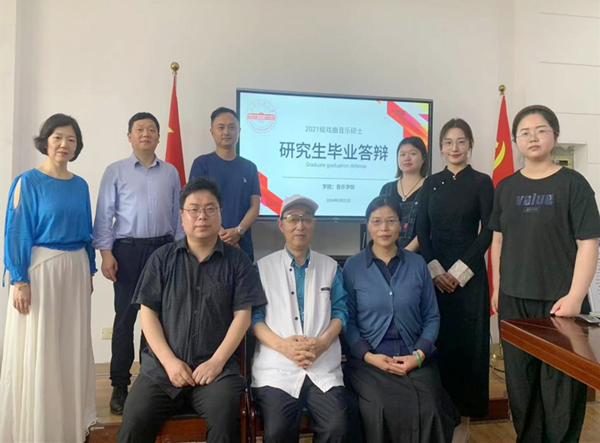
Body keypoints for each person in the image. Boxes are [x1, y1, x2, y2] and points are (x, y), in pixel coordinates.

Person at [117, 177, 267, 442]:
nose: (202, 216)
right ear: (182, 216)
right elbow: (147, 313)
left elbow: (243, 316)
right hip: (162, 370)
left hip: (216, 372)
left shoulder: (238, 262)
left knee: (225, 421)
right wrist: (169, 362)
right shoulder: (161, 258)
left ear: (220, 213)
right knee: (134, 421)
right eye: (194, 209)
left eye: (210, 209)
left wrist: (216, 363)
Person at [490, 105, 600, 442]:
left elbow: (588, 242)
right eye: (524, 132)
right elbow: (498, 239)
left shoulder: (573, 184)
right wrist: (497, 287)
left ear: (555, 136)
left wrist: (576, 296)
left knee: (561, 392)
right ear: (516, 141)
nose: (533, 137)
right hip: (514, 302)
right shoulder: (506, 187)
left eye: (541, 130)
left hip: (559, 304)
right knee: (521, 389)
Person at [0, 114, 97, 442]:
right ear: (45, 141)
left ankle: (67, 426)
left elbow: (87, 231)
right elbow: (16, 231)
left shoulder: (81, 185)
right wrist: (19, 280)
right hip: (41, 273)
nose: (64, 144)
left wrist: (90, 269)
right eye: (58, 137)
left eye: (71, 139)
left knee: (70, 345)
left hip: (75, 271)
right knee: (42, 346)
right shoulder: (27, 182)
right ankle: (38, 428)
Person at [343, 196, 458, 443]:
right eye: (376, 221)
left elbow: (431, 316)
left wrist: (419, 356)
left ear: (401, 225)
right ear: (368, 225)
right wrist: (369, 356)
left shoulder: (417, 264)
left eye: (391, 221)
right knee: (379, 407)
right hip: (370, 361)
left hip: (414, 356)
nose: (384, 228)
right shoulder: (352, 267)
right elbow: (348, 322)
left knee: (431, 406)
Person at [93, 112, 184, 415]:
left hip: (163, 250)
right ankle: (120, 384)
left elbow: (178, 215)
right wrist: (106, 254)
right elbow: (104, 216)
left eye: (152, 129)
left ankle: (151, 380)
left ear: (159, 136)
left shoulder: (170, 172)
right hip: (127, 252)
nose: (146, 134)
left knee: (157, 319)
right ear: (129, 136)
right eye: (140, 129)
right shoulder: (115, 171)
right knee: (124, 320)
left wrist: (180, 251)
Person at [416, 118, 494, 442]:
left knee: (468, 352)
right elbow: (422, 230)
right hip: (435, 280)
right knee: (438, 348)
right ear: (440, 147)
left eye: (461, 141)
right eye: (448, 142)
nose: (454, 148)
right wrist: (436, 271)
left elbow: (488, 230)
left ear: (470, 145)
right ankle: (437, 422)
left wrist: (459, 271)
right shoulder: (431, 183)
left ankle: (463, 428)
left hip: (469, 279)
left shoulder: (482, 182)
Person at [251, 195, 348, 443]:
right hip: (277, 367)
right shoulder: (262, 268)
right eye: (293, 219)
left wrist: (322, 343)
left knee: (337, 428)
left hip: (322, 365)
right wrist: (284, 346)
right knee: (277, 432)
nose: (300, 225)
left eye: (306, 219)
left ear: (314, 224)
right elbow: (254, 318)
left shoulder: (331, 267)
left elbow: (340, 312)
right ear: (281, 224)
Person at [189, 107, 260, 261]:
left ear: (239, 131)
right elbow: (196, 205)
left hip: (242, 245)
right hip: (209, 245)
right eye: (221, 127)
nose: (226, 132)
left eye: (231, 127)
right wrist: (223, 234)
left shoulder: (249, 167)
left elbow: (255, 206)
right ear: (212, 132)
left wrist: (238, 231)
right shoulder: (202, 164)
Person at [379, 136, 428, 251]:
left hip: (420, 256)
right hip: (388, 254)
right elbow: (379, 223)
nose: (407, 158)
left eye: (413, 154)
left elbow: (429, 227)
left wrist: (405, 254)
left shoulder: (430, 188)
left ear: (423, 158)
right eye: (402, 154)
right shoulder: (387, 189)